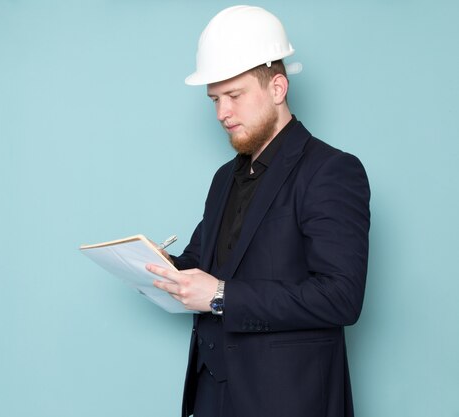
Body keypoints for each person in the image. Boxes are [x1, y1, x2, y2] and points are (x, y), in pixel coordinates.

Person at [146, 6, 371, 417]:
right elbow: (203, 264)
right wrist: (157, 267)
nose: (221, 114)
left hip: (288, 399)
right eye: (214, 99)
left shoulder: (331, 170)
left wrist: (219, 296)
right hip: (212, 395)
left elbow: (341, 297)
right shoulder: (223, 178)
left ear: (278, 88)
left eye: (234, 96)